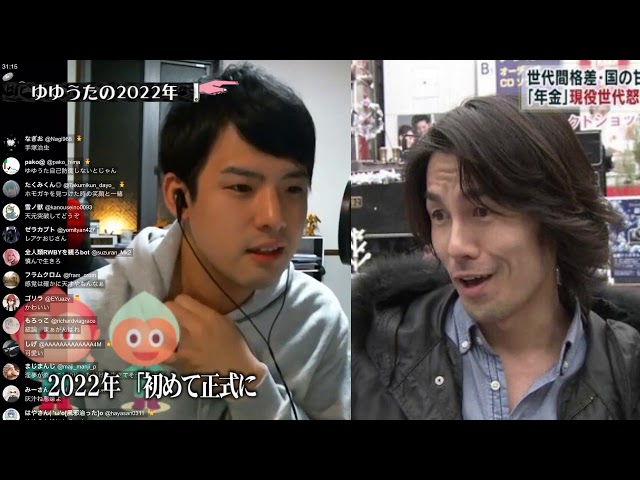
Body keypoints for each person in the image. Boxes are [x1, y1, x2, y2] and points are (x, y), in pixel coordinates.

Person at [70, 62, 350, 420]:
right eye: (242, 187)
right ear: (179, 196)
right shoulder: (85, 314)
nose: (274, 217)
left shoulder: (319, 321)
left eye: (293, 188)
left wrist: (247, 380)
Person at [352, 95, 640, 420]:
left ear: (555, 217)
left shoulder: (626, 370)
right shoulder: (375, 354)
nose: (455, 246)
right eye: (439, 215)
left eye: (482, 211)